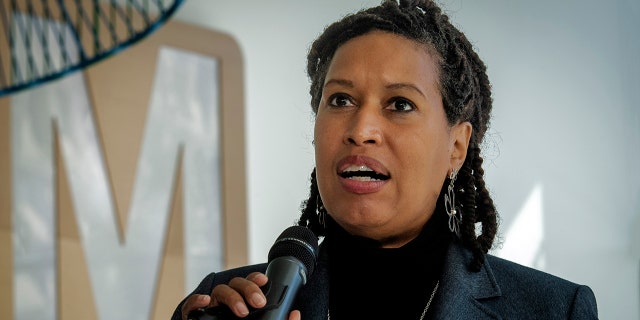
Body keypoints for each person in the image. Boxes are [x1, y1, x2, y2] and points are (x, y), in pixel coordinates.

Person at [172, 0, 599, 319]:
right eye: (340, 99)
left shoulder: (557, 310)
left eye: (399, 104)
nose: (361, 129)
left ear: (456, 146)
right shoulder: (225, 301)